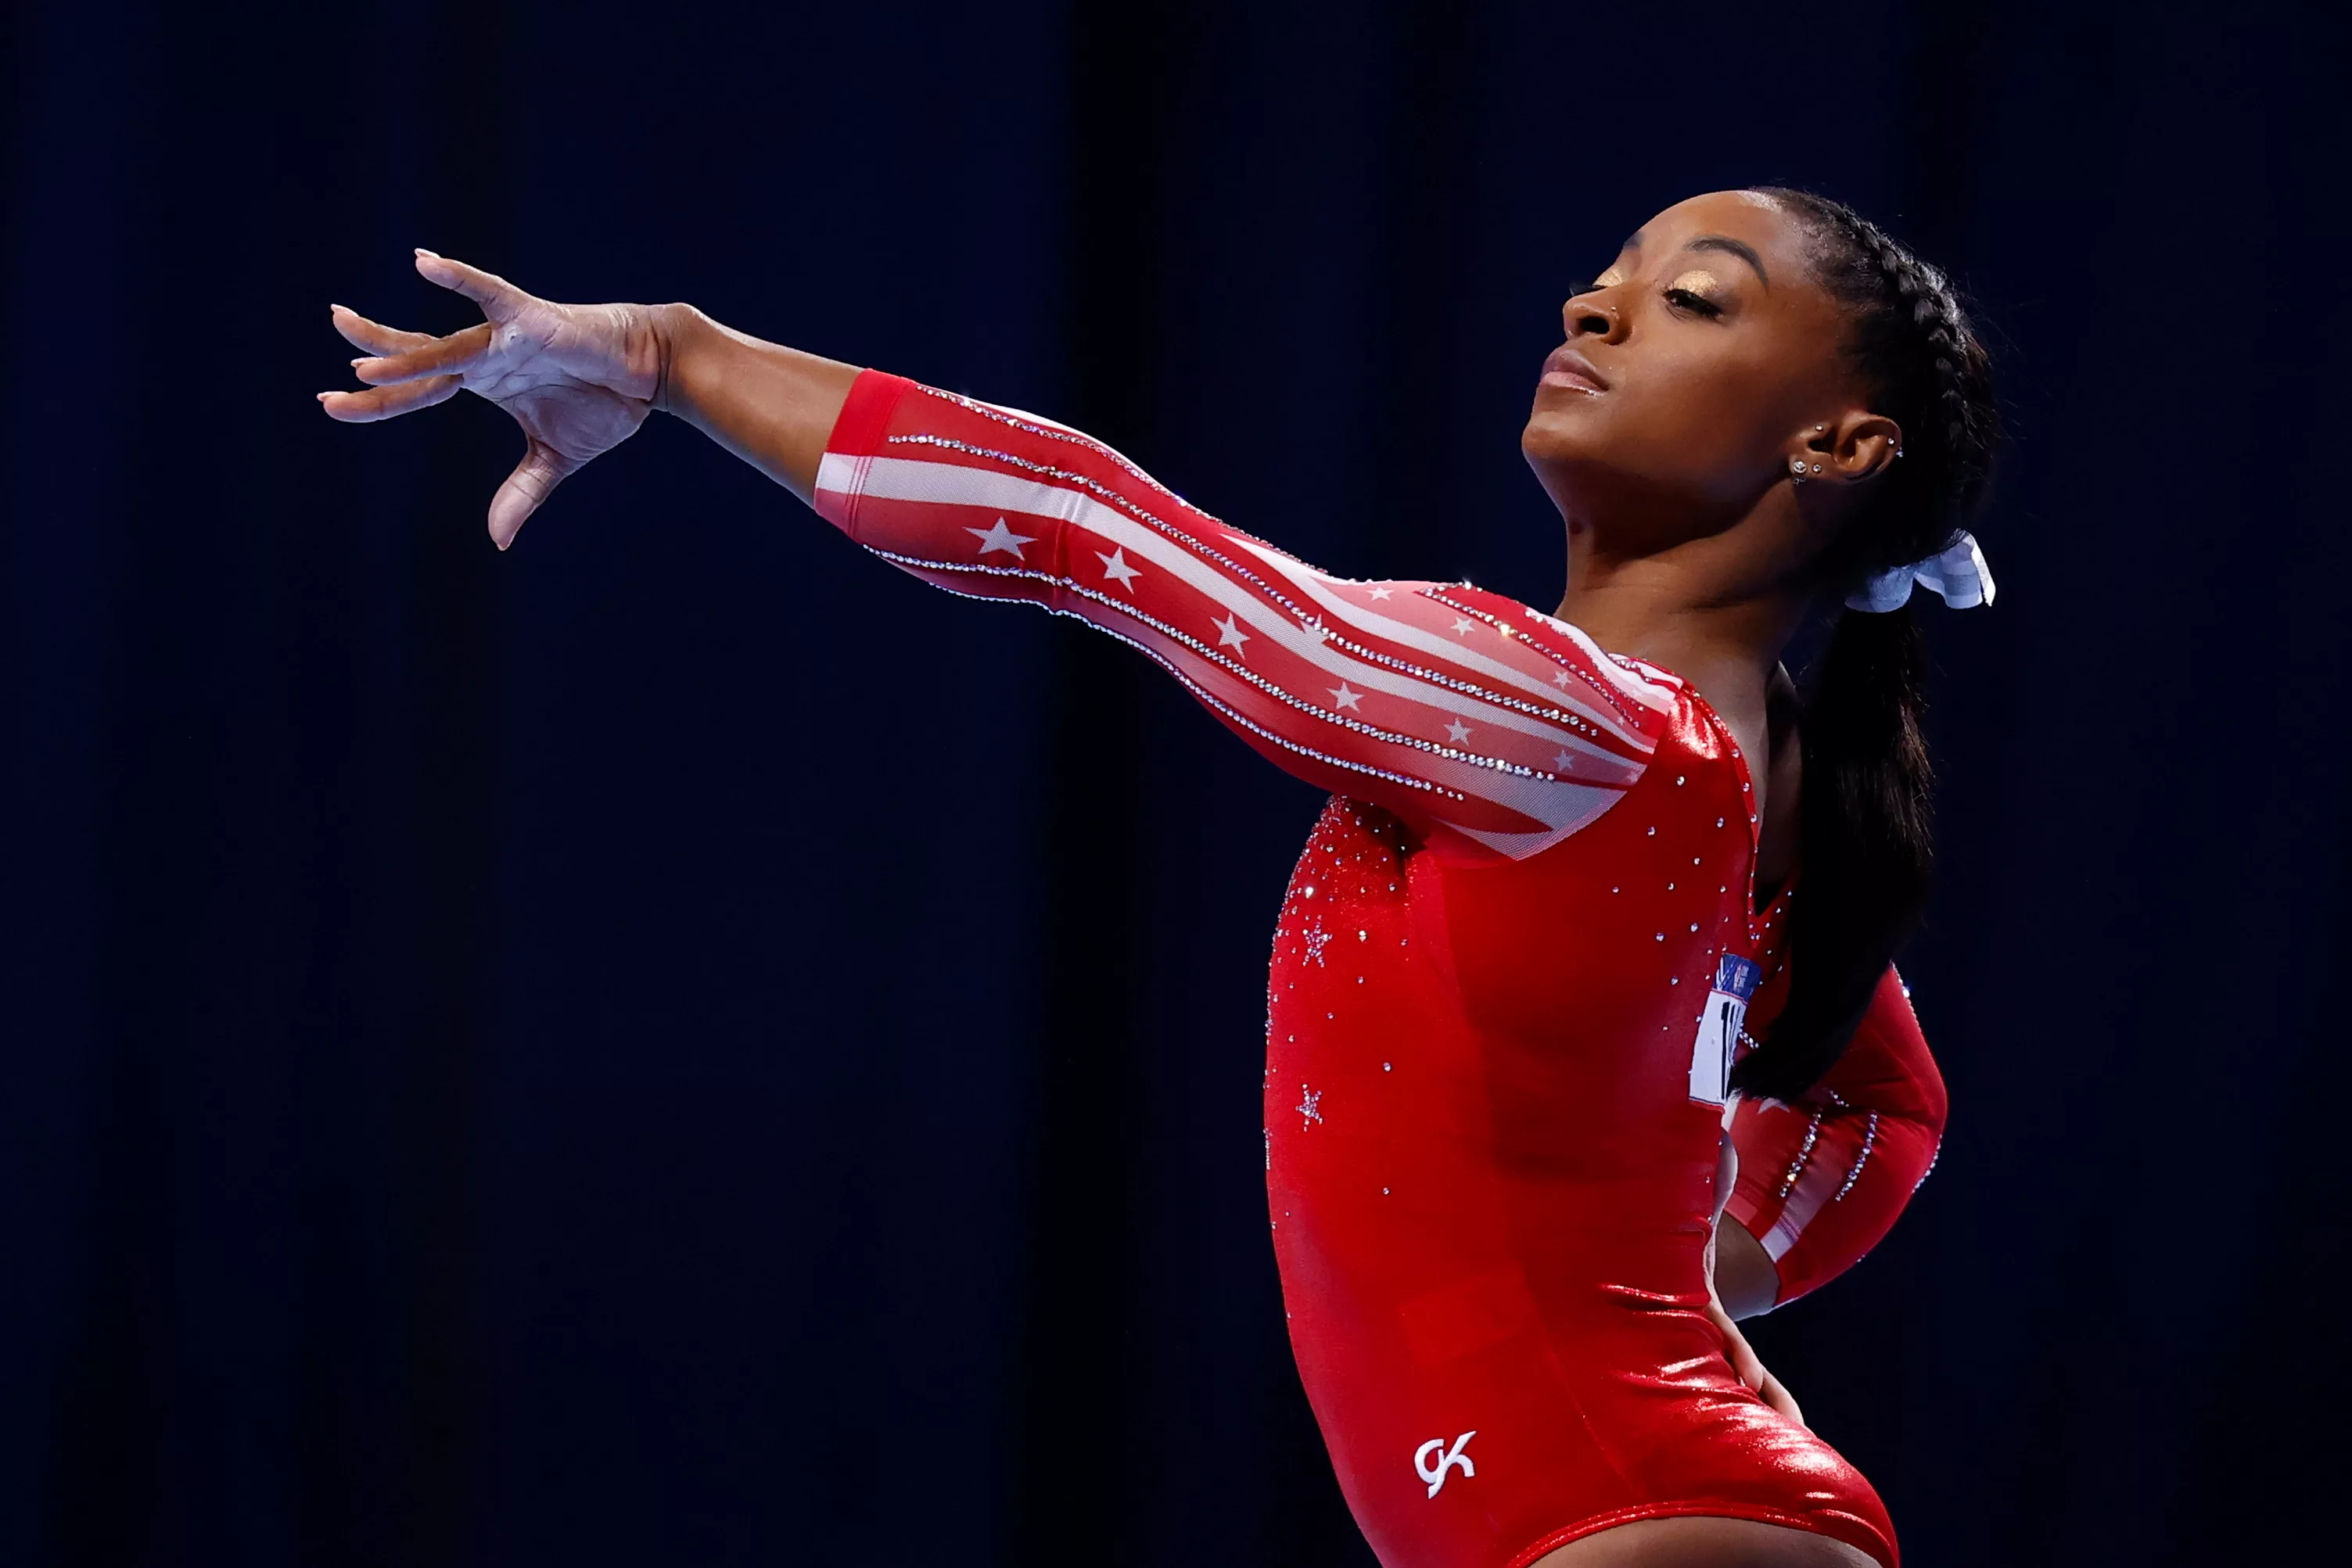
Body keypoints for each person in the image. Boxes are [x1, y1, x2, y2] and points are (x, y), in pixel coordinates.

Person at [319, 186, 1994, 1568]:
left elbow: (1085, 530)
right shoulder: (1743, 773)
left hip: (1634, 1521)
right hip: (1650, 1507)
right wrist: (1675, 1279)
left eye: (1693, 299)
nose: (1592, 307)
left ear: (1839, 444)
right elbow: (1880, 1108)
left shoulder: (1573, 727)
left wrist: (676, 356)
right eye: (1609, 275)